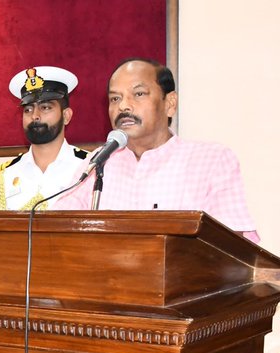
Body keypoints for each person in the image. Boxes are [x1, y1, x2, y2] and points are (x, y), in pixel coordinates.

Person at [53, 58, 259, 241]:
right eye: (115, 98)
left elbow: (232, 246)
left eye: (138, 94)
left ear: (170, 103)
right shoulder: (99, 161)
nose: (124, 106)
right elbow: (55, 230)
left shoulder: (212, 160)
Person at [0, 66, 89, 211]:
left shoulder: (88, 167)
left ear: (66, 116)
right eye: (28, 109)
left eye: (45, 107)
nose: (35, 116)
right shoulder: (8, 173)